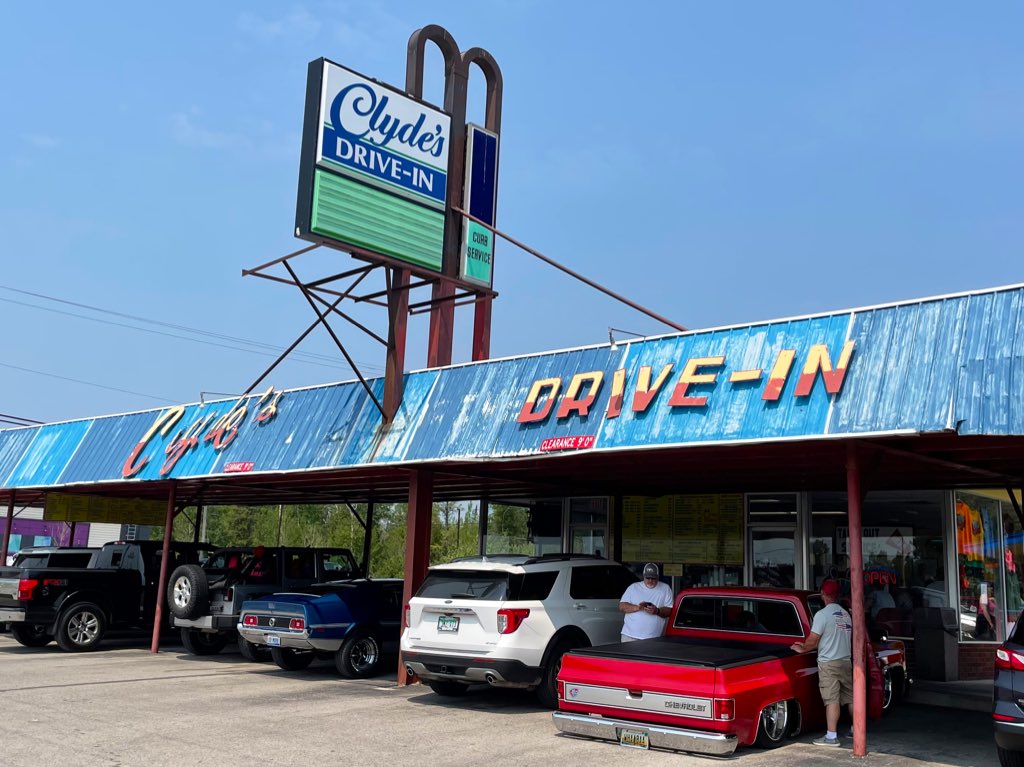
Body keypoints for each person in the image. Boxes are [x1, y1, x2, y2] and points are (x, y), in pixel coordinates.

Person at [790, 579, 853, 746]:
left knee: (832, 700)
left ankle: (831, 737)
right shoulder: (846, 614)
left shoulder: (822, 615)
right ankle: (856, 729)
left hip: (829, 663)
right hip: (846, 661)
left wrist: (801, 648)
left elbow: (813, 640)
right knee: (851, 699)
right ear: (837, 595)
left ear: (823, 594)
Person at [619, 563, 674, 641]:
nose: (650, 580)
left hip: (653, 638)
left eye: (653, 578)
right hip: (630, 635)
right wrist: (638, 607)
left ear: (658, 577)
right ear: (643, 577)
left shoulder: (665, 588)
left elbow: (670, 611)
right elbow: (621, 606)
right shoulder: (633, 587)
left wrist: (657, 611)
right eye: (648, 578)